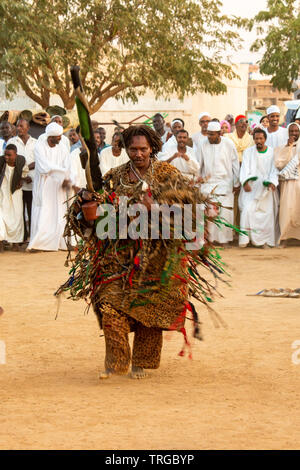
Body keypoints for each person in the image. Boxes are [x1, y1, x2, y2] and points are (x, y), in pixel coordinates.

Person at [59, 125, 225, 380]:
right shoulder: (115, 176)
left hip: (157, 257)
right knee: (109, 305)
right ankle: (116, 362)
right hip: (118, 258)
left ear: (153, 148)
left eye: (143, 149)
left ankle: (141, 362)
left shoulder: (168, 174)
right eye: (133, 149)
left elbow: (189, 216)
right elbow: (97, 214)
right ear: (125, 149)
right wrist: (85, 202)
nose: (138, 154)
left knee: (150, 311)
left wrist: (156, 207)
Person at [28, 123, 73, 252]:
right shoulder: (39, 147)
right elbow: (43, 168)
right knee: (44, 213)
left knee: (59, 213)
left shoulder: (63, 148)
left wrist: (64, 176)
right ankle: (39, 243)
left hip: (58, 186)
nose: (60, 138)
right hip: (44, 185)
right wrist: (61, 172)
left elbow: (67, 165)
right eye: (58, 136)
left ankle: (59, 242)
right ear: (51, 137)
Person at [197, 121, 240, 245]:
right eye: (208, 134)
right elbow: (198, 164)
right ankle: (208, 240)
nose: (209, 137)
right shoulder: (202, 144)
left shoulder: (228, 144)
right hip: (208, 183)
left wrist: (236, 183)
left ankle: (224, 240)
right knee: (207, 212)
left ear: (219, 133)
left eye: (212, 135)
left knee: (225, 213)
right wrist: (198, 180)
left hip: (225, 183)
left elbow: (235, 164)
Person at [238, 128, 279, 248]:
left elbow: (274, 170)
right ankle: (246, 239)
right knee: (247, 211)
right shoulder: (248, 152)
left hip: (266, 189)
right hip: (251, 187)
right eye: (256, 138)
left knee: (266, 215)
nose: (258, 140)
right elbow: (244, 169)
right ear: (254, 139)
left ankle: (264, 241)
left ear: (265, 139)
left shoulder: (272, 152)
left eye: (261, 138)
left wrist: (271, 182)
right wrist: (245, 182)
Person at [7, 119, 37, 241]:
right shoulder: (12, 142)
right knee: (19, 210)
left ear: (28, 127)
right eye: (17, 126)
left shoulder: (35, 142)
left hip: (33, 181)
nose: (19, 128)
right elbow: (10, 161)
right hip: (18, 182)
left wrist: (25, 169)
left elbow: (38, 160)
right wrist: (23, 175)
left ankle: (33, 236)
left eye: (21, 126)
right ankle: (22, 236)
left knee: (32, 209)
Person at [274, 122, 300, 246]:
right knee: (286, 210)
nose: (294, 133)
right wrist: (288, 147)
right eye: (291, 131)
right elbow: (279, 164)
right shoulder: (282, 147)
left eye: (296, 131)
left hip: (299, 183)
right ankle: (284, 238)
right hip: (287, 184)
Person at [0, 144, 26, 251]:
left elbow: (24, 174)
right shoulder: (1, 161)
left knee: (17, 217)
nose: (6, 157)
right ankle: (1, 242)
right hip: (2, 192)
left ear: (15, 155)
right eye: (5, 155)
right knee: (1, 216)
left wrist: (21, 179)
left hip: (15, 192)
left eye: (9, 155)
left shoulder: (21, 161)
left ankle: (15, 243)